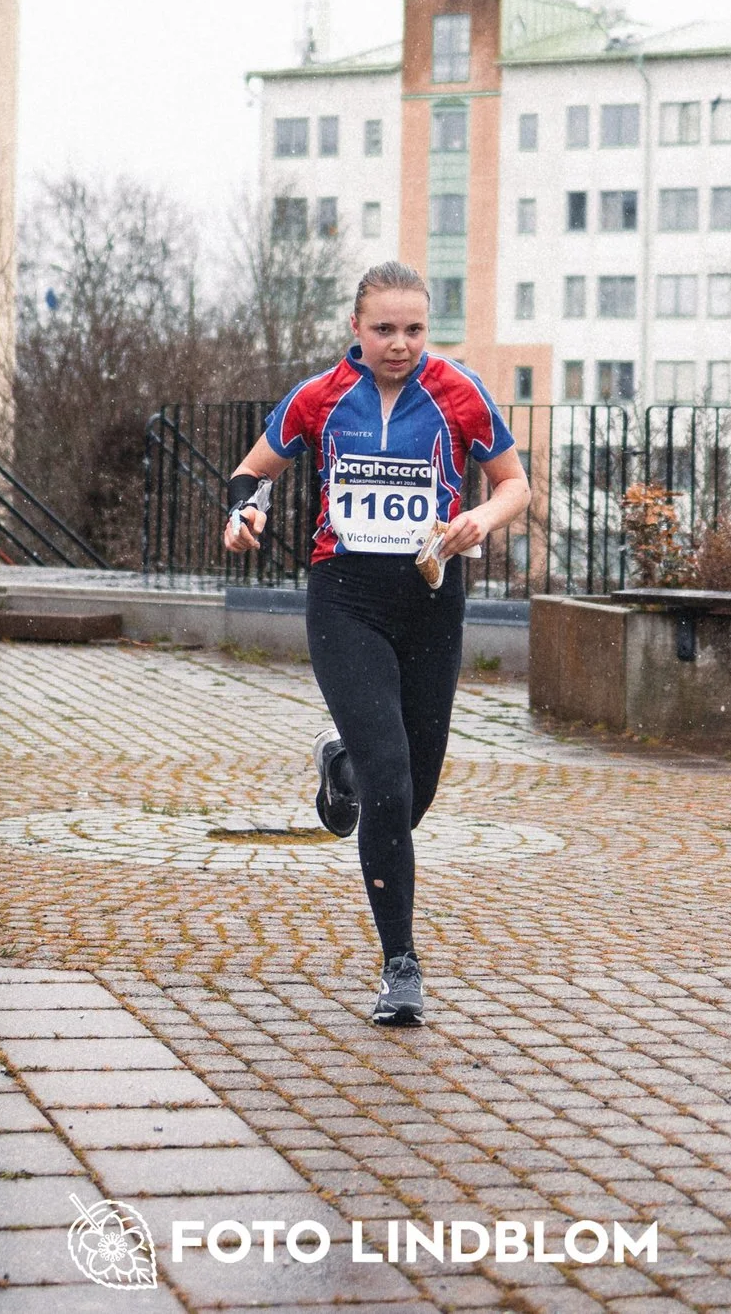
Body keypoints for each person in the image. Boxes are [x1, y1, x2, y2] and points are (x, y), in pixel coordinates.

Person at [221, 262, 530, 1025]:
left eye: (414, 328)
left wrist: (481, 523)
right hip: (346, 601)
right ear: (355, 329)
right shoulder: (319, 397)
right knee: (390, 780)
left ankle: (341, 767)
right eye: (384, 328)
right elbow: (252, 472)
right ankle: (401, 965)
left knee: (411, 793)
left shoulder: (458, 392)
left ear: (429, 328)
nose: (400, 343)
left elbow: (515, 484)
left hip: (431, 602)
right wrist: (244, 515)